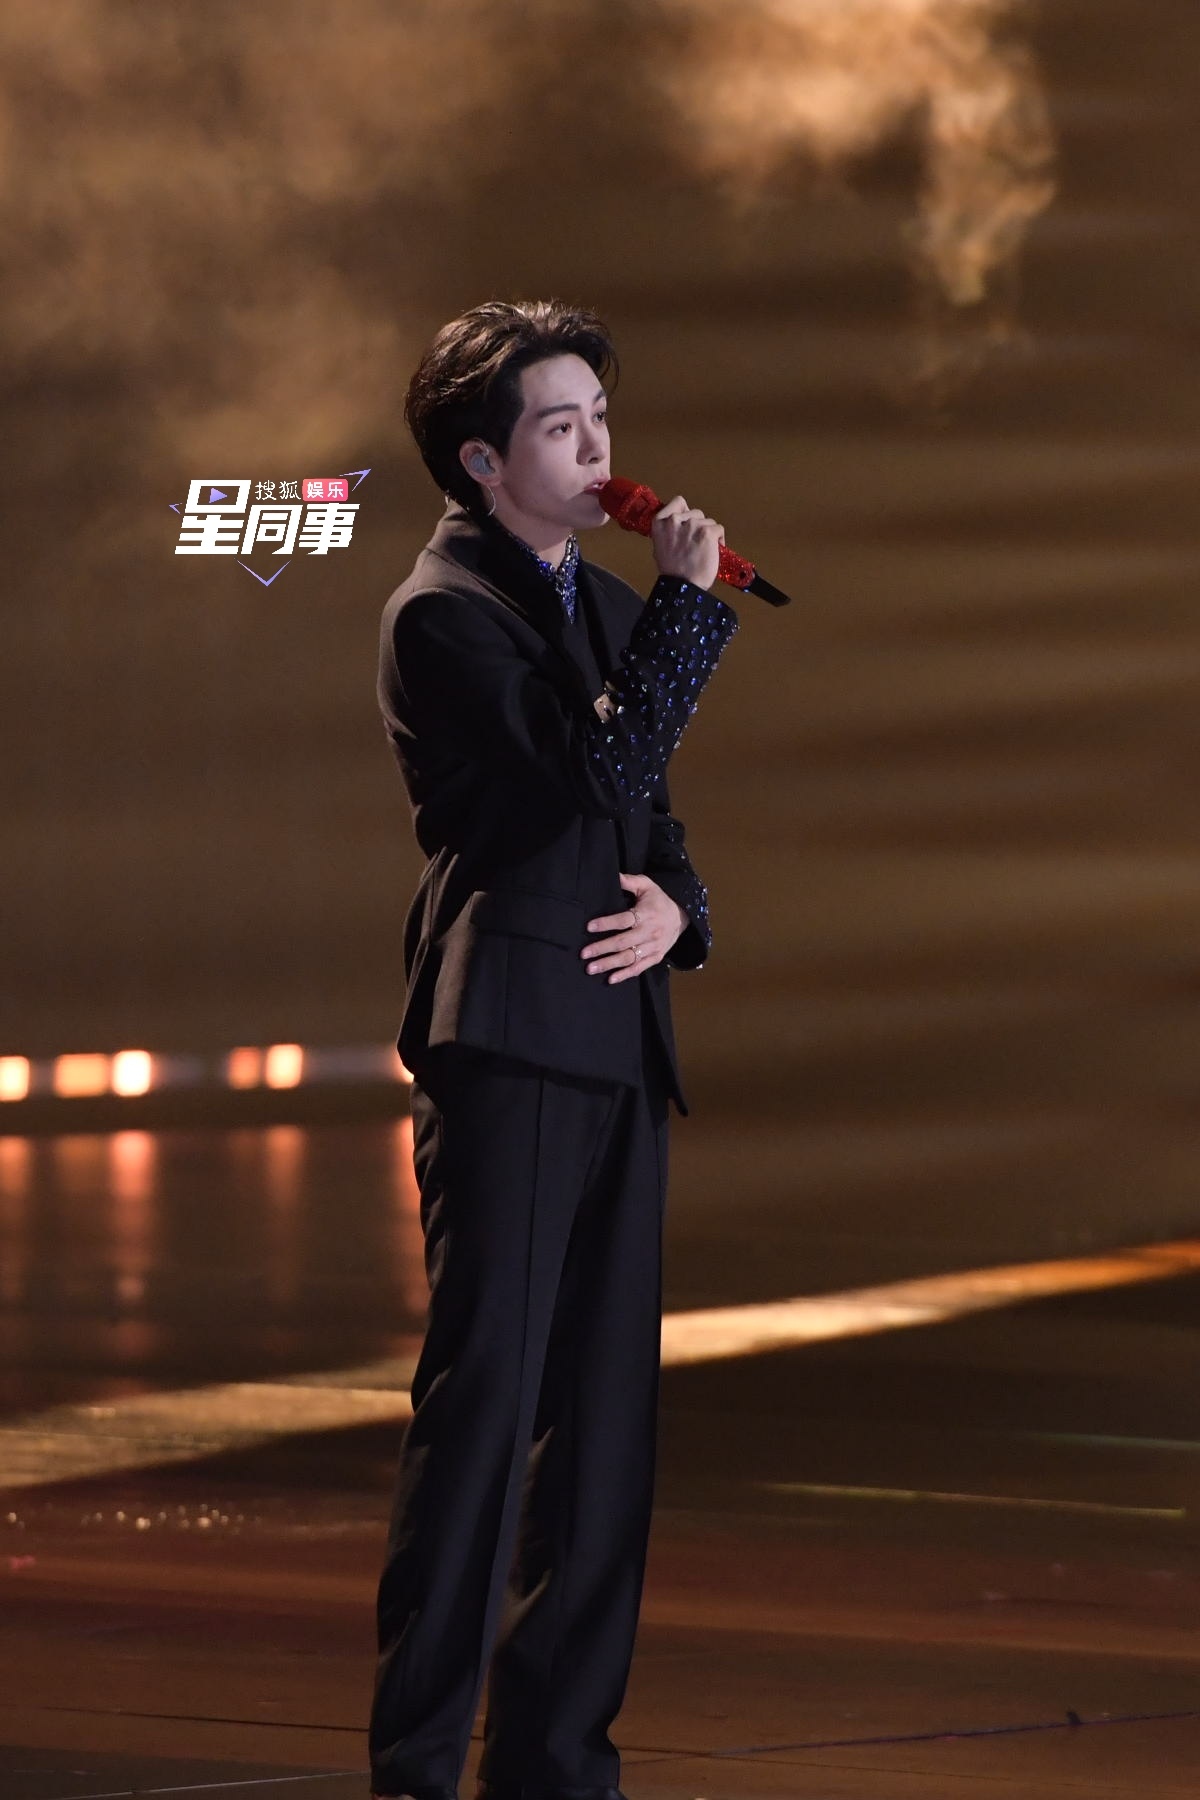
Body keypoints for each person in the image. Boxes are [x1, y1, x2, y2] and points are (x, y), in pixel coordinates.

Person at [369, 298, 741, 1800]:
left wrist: (682, 911)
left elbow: (647, 811)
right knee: (486, 1412)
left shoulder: (590, 594)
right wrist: (688, 611)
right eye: (561, 425)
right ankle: (415, 1768)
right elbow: (597, 763)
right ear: (482, 459)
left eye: (602, 418)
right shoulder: (442, 610)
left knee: (600, 1430)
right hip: (513, 1031)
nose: (599, 451)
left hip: (616, 1034)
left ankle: (559, 1767)